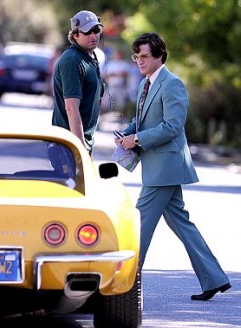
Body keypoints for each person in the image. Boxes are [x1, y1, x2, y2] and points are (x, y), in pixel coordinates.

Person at [116, 32, 231, 301]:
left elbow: (172, 126)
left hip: (165, 166)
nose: (139, 61)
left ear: (160, 56)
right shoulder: (147, 83)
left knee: (138, 224)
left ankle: (123, 282)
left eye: (145, 56)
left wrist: (139, 139)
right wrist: (128, 132)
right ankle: (214, 278)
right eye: (136, 57)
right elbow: (144, 118)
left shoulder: (172, 84)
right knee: (182, 224)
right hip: (159, 166)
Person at [52, 10, 105, 156]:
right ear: (75, 35)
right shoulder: (72, 60)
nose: (94, 35)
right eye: (88, 32)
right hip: (68, 148)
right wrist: (79, 150)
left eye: (96, 30)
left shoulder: (90, 56)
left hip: (79, 145)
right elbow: (71, 107)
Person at [102, 48, 130, 116]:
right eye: (117, 54)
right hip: (111, 86)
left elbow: (124, 74)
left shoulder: (124, 63)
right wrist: (117, 74)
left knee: (121, 104)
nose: (118, 55)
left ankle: (122, 120)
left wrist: (113, 74)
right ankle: (102, 120)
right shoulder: (110, 64)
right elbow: (105, 75)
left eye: (119, 54)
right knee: (106, 104)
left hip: (120, 87)